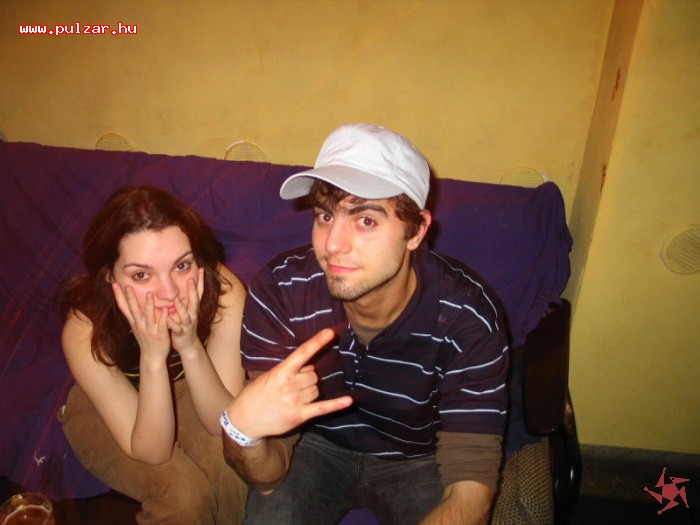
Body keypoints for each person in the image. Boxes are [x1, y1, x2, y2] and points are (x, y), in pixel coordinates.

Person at [222, 123, 509, 525]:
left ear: (416, 231)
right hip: (315, 445)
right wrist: (241, 434)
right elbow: (268, 479)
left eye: (366, 221)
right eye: (325, 215)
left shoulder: (467, 316)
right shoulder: (282, 290)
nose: (332, 244)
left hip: (416, 457)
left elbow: (471, 486)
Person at [57, 185, 248, 524]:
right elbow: (153, 452)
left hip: (192, 379)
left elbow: (222, 423)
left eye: (181, 265)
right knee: (183, 496)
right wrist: (153, 358)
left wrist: (190, 347)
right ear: (109, 275)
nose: (169, 292)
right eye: (142, 275)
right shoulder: (85, 329)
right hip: (112, 402)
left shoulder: (224, 292)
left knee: (233, 462)